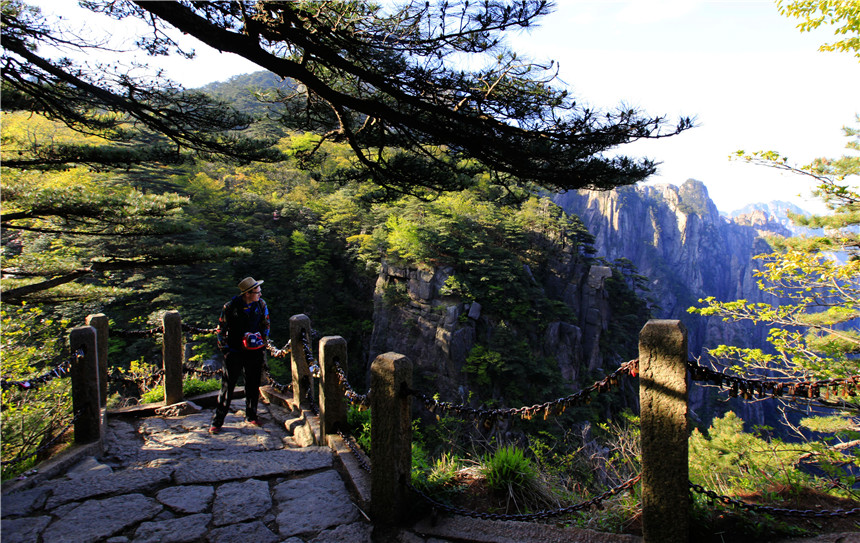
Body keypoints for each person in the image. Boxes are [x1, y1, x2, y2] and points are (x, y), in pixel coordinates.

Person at [209, 277, 270, 433]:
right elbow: (221, 328)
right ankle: (218, 421)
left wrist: (262, 342)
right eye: (257, 292)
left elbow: (266, 324)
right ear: (248, 293)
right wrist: (225, 349)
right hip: (235, 351)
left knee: (252, 384)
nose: (260, 295)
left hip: (254, 351)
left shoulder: (261, 305)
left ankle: (251, 415)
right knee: (227, 386)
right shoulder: (230, 307)